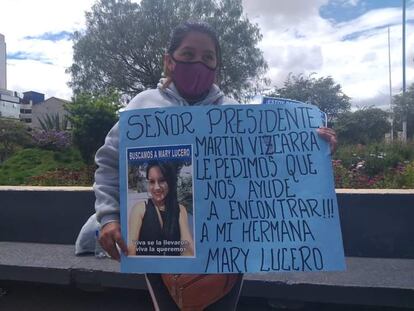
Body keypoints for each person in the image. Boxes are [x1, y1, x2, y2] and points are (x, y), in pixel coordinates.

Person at [95, 20, 337, 310]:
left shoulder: (234, 112)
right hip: (161, 249)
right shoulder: (141, 107)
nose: (198, 62)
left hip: (228, 246)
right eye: (188, 54)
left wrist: (311, 149)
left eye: (208, 57)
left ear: (217, 66)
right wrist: (108, 218)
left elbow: (267, 169)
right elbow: (109, 165)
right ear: (169, 61)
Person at [128, 161, 194, 257]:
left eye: (162, 180)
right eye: (152, 182)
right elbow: (131, 250)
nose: (156, 187)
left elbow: (187, 248)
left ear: (170, 181)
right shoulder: (140, 209)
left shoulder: (179, 209)